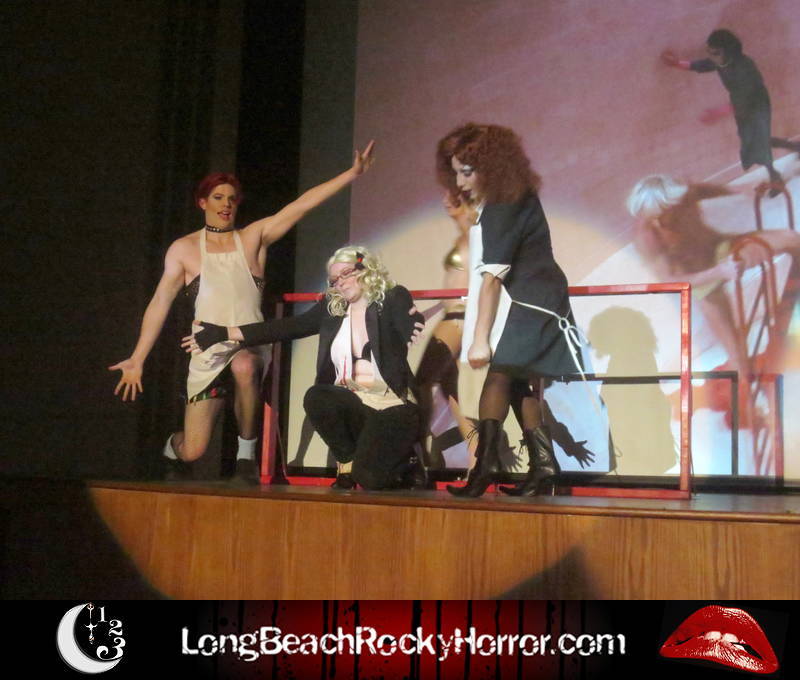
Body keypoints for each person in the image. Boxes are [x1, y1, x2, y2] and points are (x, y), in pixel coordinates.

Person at [109, 142, 375, 483]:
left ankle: (245, 456)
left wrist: (351, 174)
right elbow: (160, 302)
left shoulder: (252, 238)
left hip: (248, 341)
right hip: (207, 347)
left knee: (246, 365)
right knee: (194, 450)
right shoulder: (184, 249)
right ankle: (173, 449)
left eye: (232, 199)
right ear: (203, 203)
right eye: (218, 198)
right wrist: (137, 358)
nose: (226, 204)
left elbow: (300, 206)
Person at [183, 246, 426, 491]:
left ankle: (408, 462)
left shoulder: (391, 298)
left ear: (365, 269)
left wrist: (411, 324)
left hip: (392, 405)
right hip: (358, 402)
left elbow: (406, 315)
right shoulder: (333, 309)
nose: (341, 282)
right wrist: (225, 333)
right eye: (335, 279)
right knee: (318, 397)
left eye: (346, 273)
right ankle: (347, 463)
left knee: (370, 479)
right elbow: (288, 327)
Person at [436, 123, 581, 498]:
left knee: (499, 374)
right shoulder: (509, 197)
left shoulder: (503, 205)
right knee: (516, 380)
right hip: (536, 298)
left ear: (491, 167)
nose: (460, 182)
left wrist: (479, 339)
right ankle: (544, 467)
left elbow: (492, 279)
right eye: (456, 173)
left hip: (529, 302)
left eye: (467, 172)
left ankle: (483, 470)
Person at [627, 174, 800, 427]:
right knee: (737, 354)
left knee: (792, 239)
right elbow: (671, 280)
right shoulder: (647, 236)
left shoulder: (683, 194)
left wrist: (741, 189)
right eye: (664, 215)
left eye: (676, 207)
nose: (673, 215)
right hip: (700, 280)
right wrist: (719, 273)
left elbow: (705, 189)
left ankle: (790, 313)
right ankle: (747, 412)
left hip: (720, 247)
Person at [662, 29, 800, 195]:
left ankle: (775, 177)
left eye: (715, 53)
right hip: (740, 105)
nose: (711, 56)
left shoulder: (745, 66)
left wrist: (719, 112)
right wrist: (677, 64)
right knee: (752, 141)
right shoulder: (720, 61)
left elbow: (748, 95)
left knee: (759, 143)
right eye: (709, 52)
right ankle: (794, 147)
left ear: (728, 52)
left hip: (756, 105)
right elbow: (702, 65)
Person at [414, 193, 478, 471]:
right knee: (453, 388)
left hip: (461, 315)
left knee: (422, 381)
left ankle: (419, 449)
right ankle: (477, 457)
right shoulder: (465, 236)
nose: (445, 199)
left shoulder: (476, 235)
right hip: (455, 313)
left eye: (454, 196)